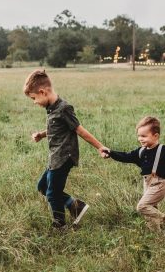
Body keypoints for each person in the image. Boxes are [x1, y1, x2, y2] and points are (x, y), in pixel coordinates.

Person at [24, 69, 107, 230]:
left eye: (34, 98)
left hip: (63, 158)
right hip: (54, 157)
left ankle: (59, 225)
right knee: (42, 187)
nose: (34, 102)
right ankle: (75, 206)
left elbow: (79, 130)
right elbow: (57, 128)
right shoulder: (52, 109)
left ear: (43, 92)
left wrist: (100, 147)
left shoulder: (64, 108)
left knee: (52, 193)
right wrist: (42, 134)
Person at [101, 116, 165, 234]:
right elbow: (126, 156)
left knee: (142, 206)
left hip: (159, 184)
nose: (140, 139)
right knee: (150, 213)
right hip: (147, 184)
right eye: (139, 136)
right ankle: (157, 235)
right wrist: (111, 152)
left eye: (144, 136)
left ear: (156, 136)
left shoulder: (162, 149)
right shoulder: (141, 151)